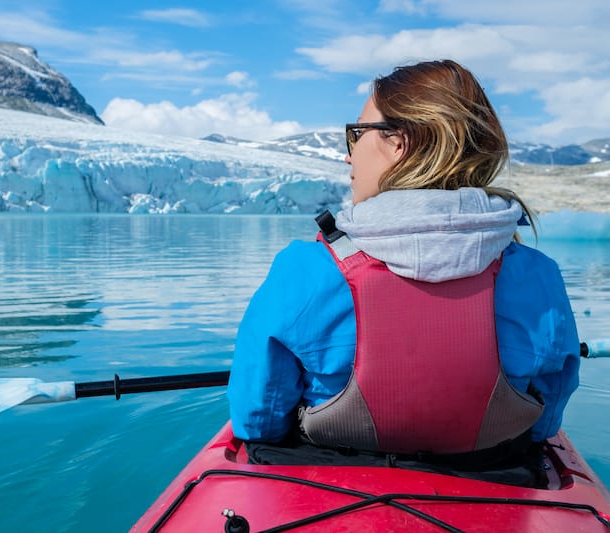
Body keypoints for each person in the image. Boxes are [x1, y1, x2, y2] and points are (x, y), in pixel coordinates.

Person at [227, 60, 580, 471]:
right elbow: (544, 421)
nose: (348, 156)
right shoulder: (538, 275)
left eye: (356, 134)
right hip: (499, 479)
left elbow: (259, 421)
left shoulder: (305, 269)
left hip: (328, 484)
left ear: (399, 142)